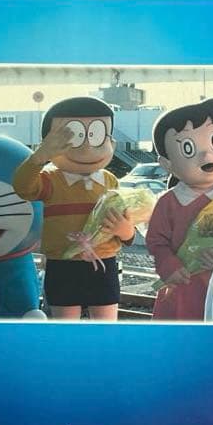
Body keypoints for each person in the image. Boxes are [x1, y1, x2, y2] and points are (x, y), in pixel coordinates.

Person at [13, 96, 135, 320]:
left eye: (96, 136)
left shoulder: (110, 180)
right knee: (65, 325)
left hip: (104, 262)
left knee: (106, 325)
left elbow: (127, 227)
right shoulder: (49, 179)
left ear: (111, 142)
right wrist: (39, 156)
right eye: (75, 137)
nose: (87, 147)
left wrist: (125, 231)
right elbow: (22, 187)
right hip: (63, 264)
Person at [145, 98, 213, 321]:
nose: (206, 156)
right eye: (188, 148)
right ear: (167, 163)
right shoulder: (168, 202)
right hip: (180, 288)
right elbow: (156, 241)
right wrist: (169, 266)